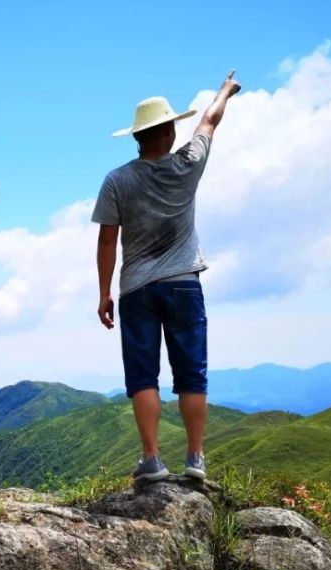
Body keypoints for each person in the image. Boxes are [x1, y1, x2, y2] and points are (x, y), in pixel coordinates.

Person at [92, 70, 241, 485]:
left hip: (137, 289)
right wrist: (224, 91)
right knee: (192, 373)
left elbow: (107, 242)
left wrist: (104, 294)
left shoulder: (117, 180)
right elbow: (209, 121)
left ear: (139, 136)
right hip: (183, 283)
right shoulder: (187, 164)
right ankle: (195, 457)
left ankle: (152, 460)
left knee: (143, 376)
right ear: (168, 132)